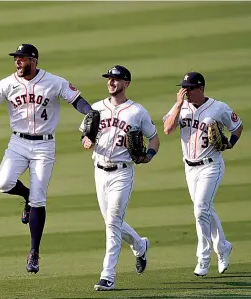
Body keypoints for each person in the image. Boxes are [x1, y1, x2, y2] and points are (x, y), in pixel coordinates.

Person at [0, 43, 94, 273]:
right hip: (18, 143)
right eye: (16, 59)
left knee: (39, 199)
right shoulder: (8, 83)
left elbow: (77, 100)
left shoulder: (54, 81)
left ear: (34, 60)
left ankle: (34, 253)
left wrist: (89, 111)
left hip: (44, 145)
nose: (18, 62)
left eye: (22, 58)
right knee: (3, 183)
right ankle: (25, 195)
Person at [80, 65, 160, 291]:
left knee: (113, 223)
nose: (111, 82)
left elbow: (154, 139)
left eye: (116, 79)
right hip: (99, 171)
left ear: (126, 83)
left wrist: (149, 156)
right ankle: (140, 245)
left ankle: (108, 275)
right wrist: (86, 141)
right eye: (109, 79)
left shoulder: (137, 111)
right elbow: (85, 135)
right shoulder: (96, 108)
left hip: (122, 173)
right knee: (111, 222)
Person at [163, 72, 243, 276]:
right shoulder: (180, 107)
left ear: (200, 88)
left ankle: (204, 258)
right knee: (205, 209)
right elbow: (167, 129)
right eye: (183, 88)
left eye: (189, 88)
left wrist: (230, 144)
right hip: (189, 168)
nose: (185, 92)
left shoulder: (219, 108)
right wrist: (179, 105)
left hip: (211, 166)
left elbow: (237, 126)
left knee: (200, 209)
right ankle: (223, 247)